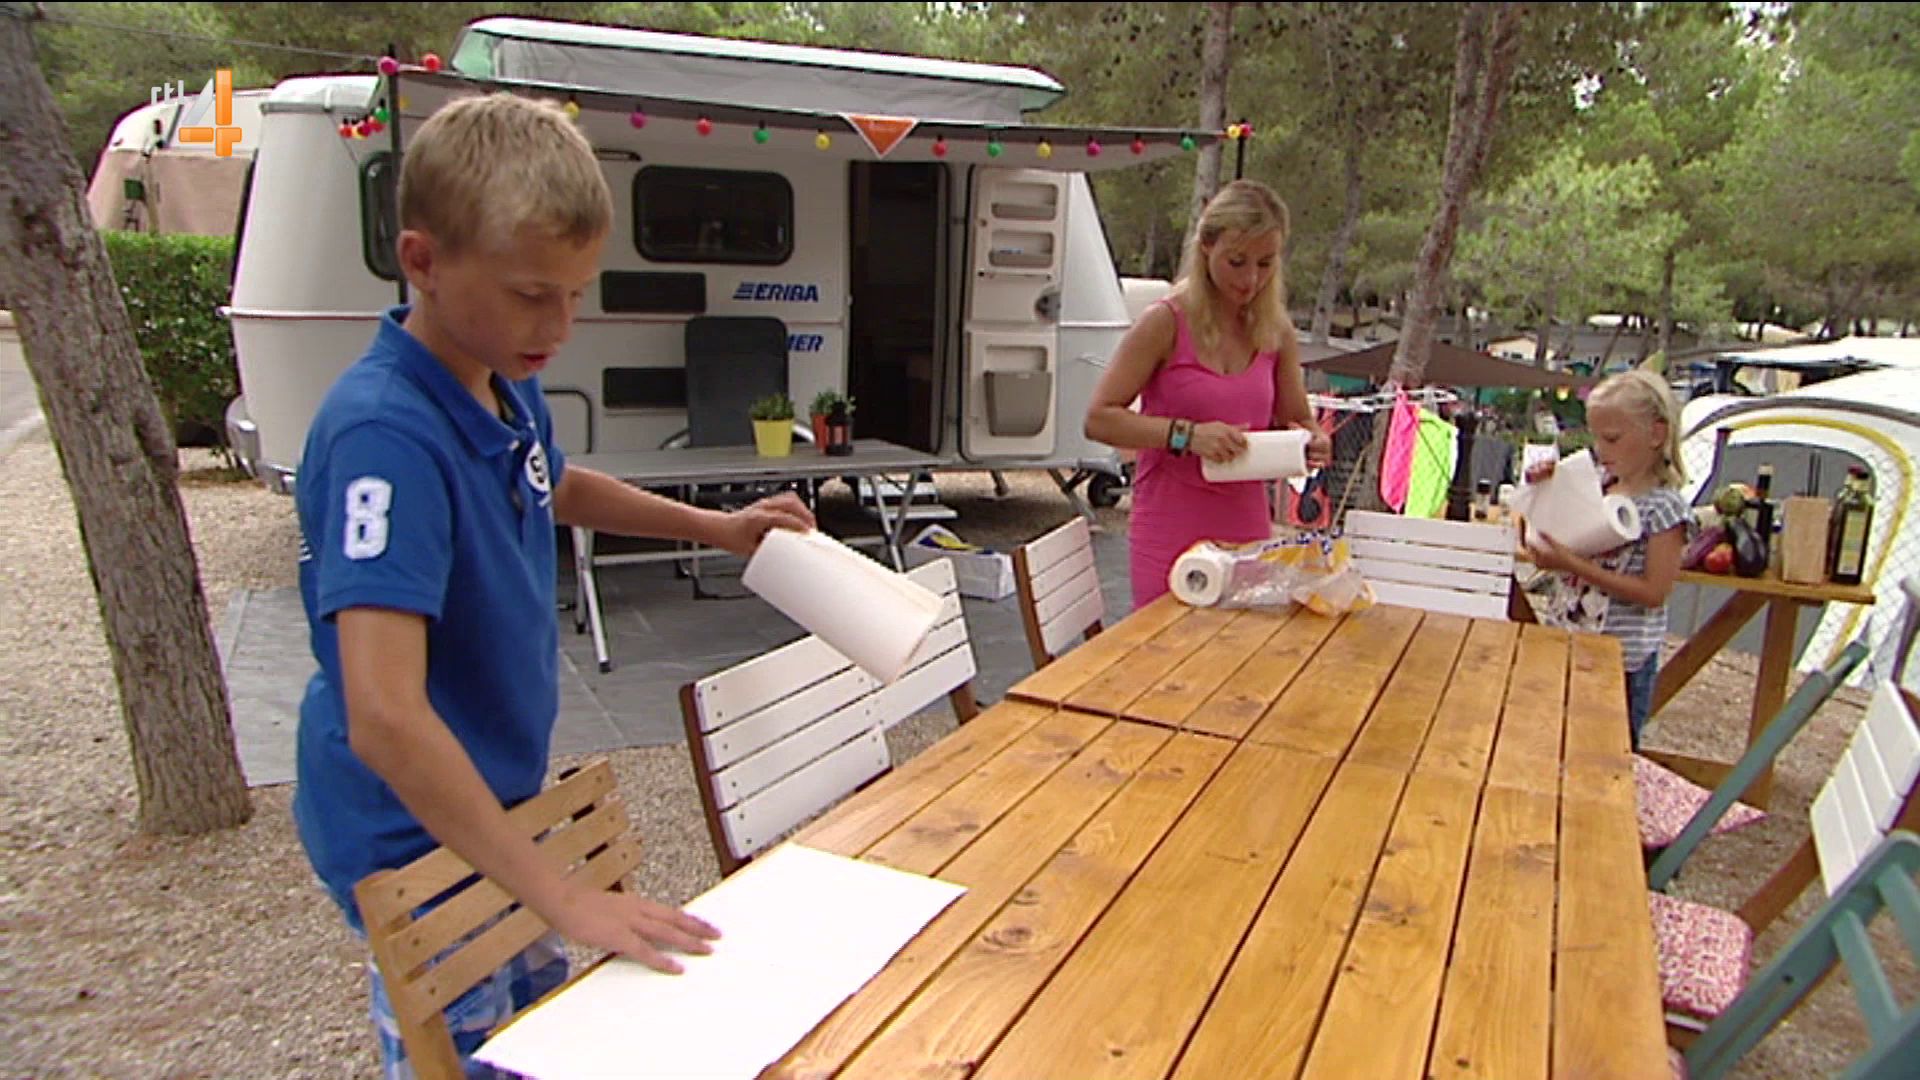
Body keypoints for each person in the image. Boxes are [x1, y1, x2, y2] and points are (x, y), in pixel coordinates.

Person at [290, 93, 816, 1073]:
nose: (561, 324)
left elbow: (554, 480)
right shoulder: (385, 437)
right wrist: (562, 895)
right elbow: (384, 716)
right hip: (410, 829)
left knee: (542, 1035)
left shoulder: (500, 370)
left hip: (499, 800)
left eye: (576, 293)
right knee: (478, 1047)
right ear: (422, 261)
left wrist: (717, 527)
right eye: (534, 293)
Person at [1084, 180, 1331, 608]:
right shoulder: (1164, 322)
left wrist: (1312, 440)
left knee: (1240, 644)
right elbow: (1099, 418)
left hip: (1244, 525)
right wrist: (1187, 435)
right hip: (1170, 524)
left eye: (1266, 264)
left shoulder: (1275, 331)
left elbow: (1296, 419)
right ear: (1206, 247)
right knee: (1165, 642)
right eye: (1236, 262)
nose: (1250, 279)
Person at [1520, 369, 1690, 747]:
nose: (1601, 449)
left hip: (1620, 664)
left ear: (1656, 434)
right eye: (1596, 437)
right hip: (1566, 643)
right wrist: (1543, 489)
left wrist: (1572, 565)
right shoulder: (1595, 485)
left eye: (1612, 438)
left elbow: (1654, 592)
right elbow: (1548, 540)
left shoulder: (1664, 508)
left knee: (1605, 753)